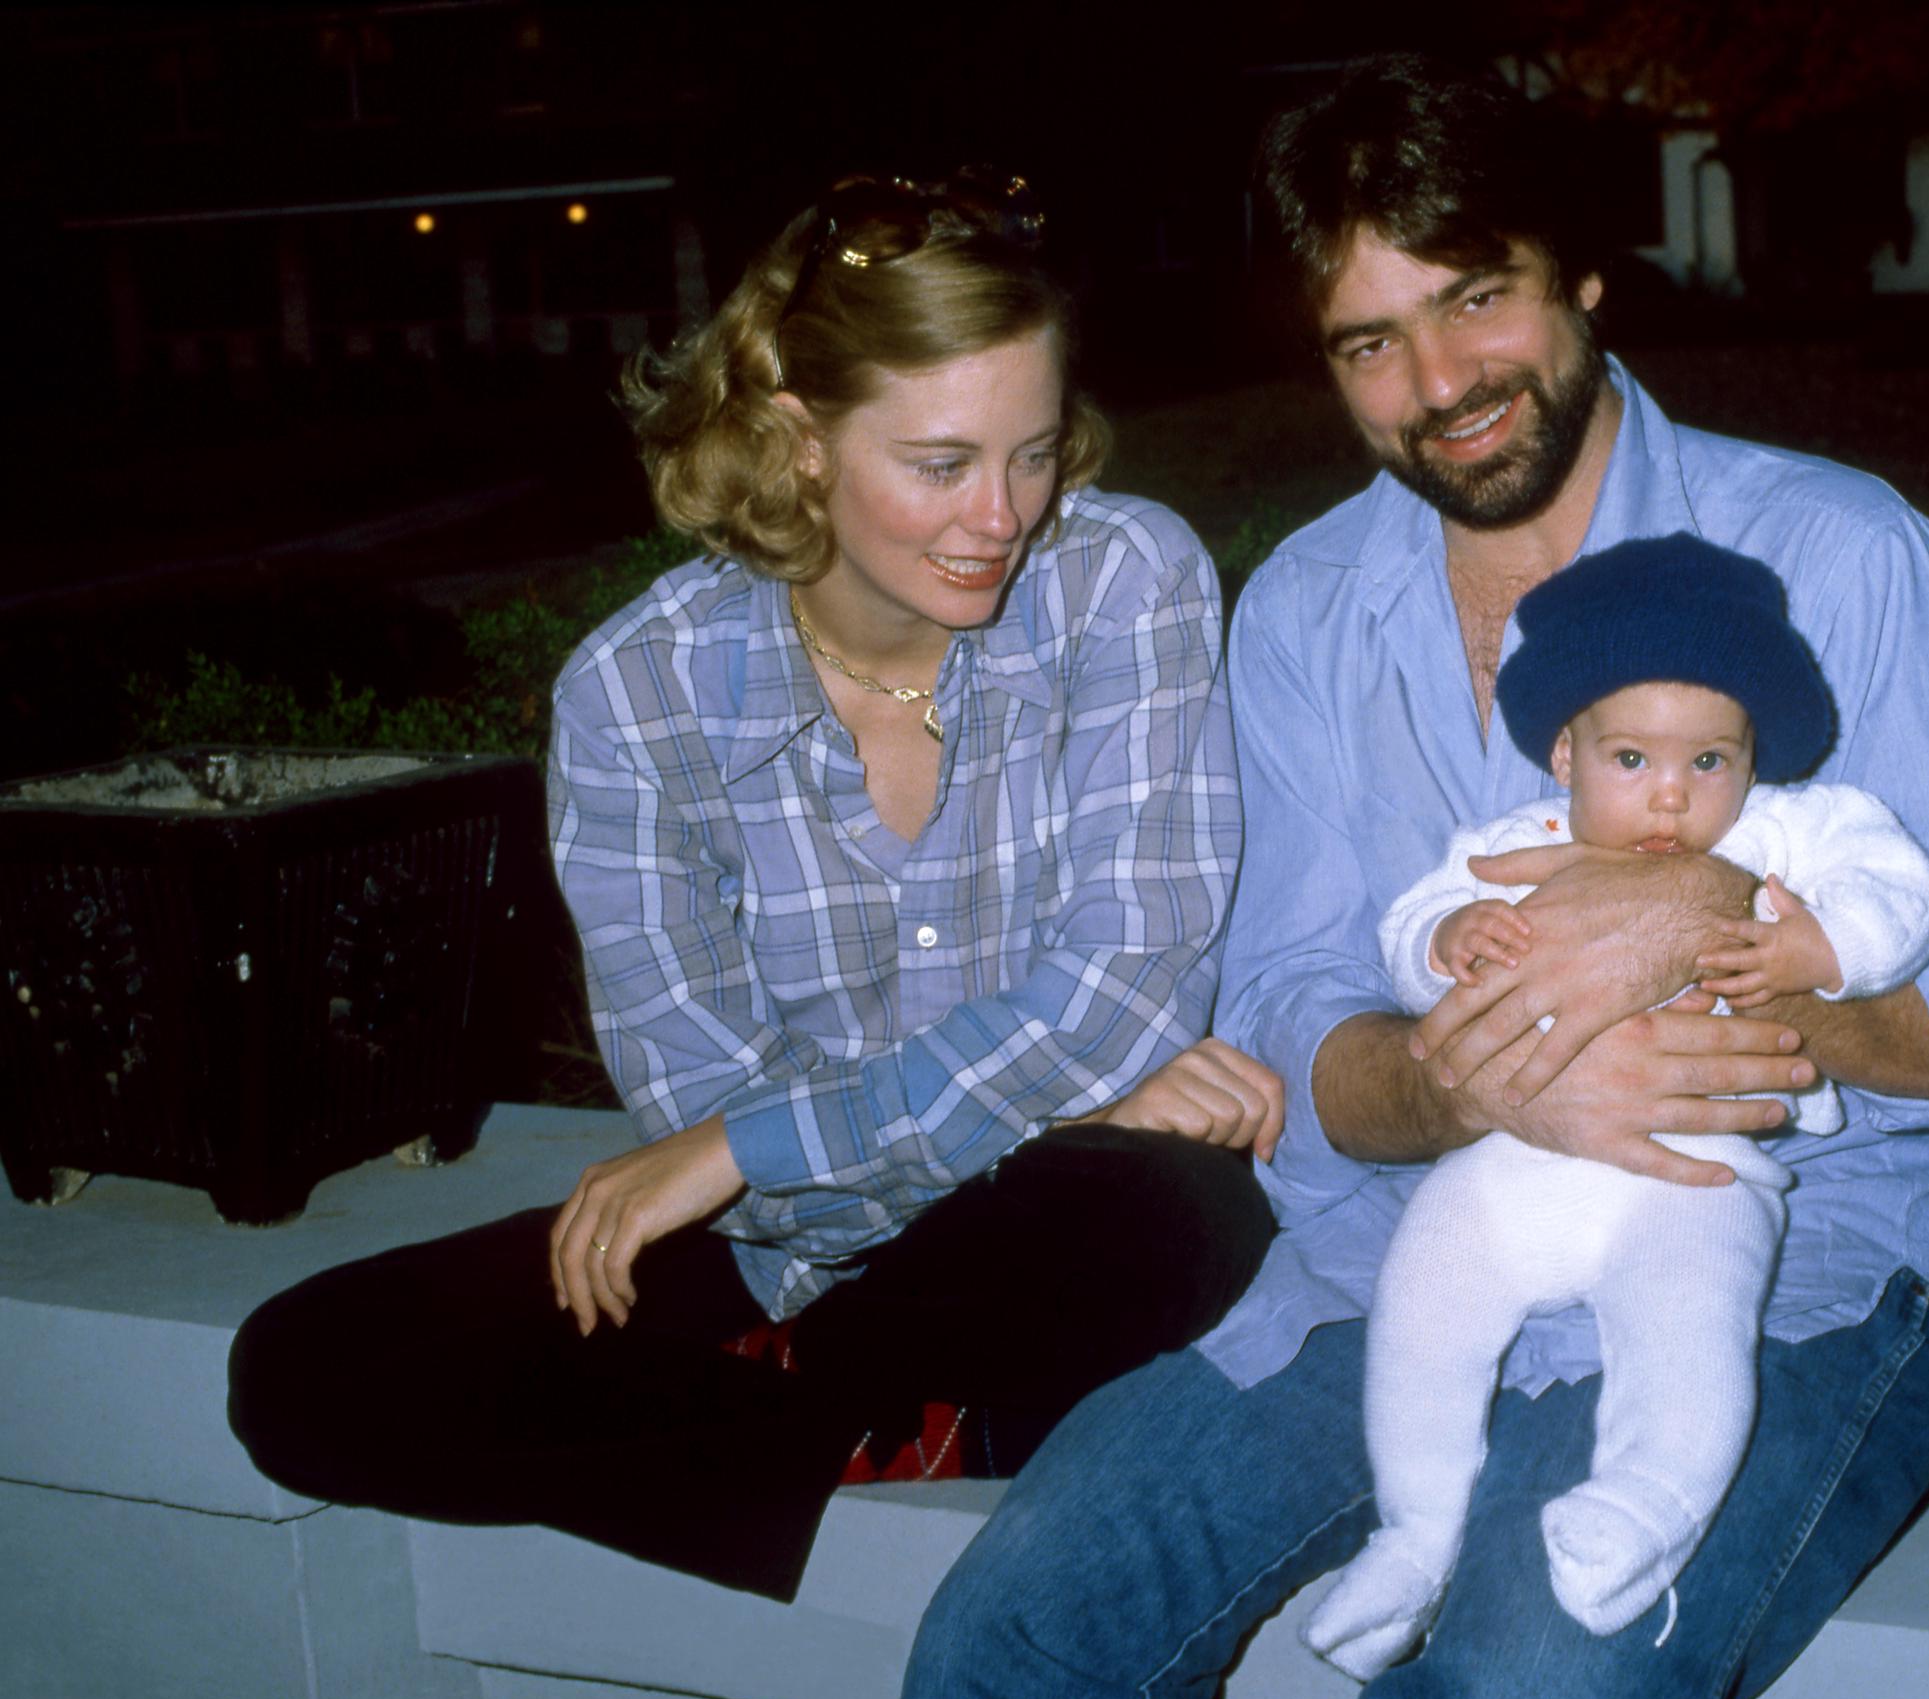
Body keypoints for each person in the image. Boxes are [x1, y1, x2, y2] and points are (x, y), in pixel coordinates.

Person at [905, 58, 1929, 1699]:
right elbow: (1286, 1001)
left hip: (1801, 1253)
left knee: (1517, 1681)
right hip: (1405, 1251)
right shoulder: (1307, 610)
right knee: (1010, 1638)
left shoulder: (1842, 554)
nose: (1439, 383)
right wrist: (1437, 1075)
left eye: (1475, 300)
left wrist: (1732, 950)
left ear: (1582, 274)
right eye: (1369, 342)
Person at [226, 169, 1281, 1601]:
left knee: (1165, 1215)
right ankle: (855, 1419)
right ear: (797, 441)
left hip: (1046, 1220)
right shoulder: (639, 692)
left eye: (1034, 452)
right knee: (303, 1373)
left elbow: (1128, 983)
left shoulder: (1124, 579)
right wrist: (1063, 1092)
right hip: (793, 1256)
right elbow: (698, 1089)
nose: (1004, 515)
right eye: (942, 462)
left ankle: (802, 1412)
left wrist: (764, 1145)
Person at [1307, 534, 1929, 1680]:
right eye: (1631, 757)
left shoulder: (1786, 835)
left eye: (1711, 758)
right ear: (1565, 752)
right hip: (1513, 1166)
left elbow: (1903, 888)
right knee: (1425, 1297)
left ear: (1755, 753)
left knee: (1690, 1329)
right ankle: (1413, 1530)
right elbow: (1411, 928)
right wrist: (1446, 942)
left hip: (1697, 1174)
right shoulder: (1515, 848)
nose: (1671, 792)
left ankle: (1647, 1508)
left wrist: (1821, 944)